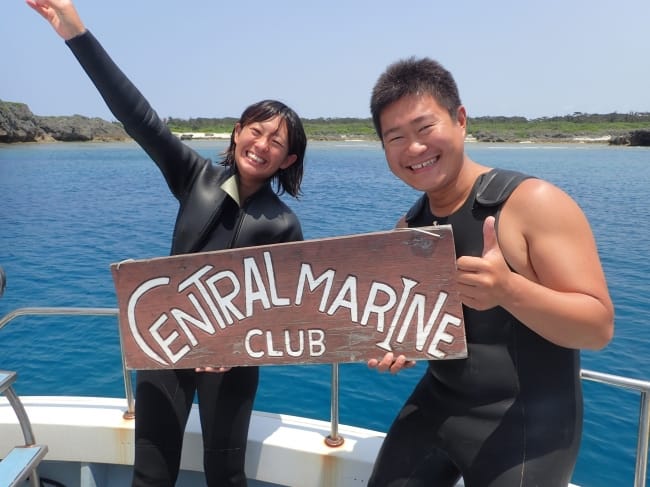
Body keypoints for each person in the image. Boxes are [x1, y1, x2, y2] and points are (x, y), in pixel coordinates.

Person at [27, 1, 307, 486]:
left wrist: (237, 345)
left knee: (226, 475)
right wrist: (76, 33)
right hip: (165, 342)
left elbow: (290, 307)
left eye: (276, 142)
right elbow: (139, 117)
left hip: (232, 361)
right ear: (237, 132)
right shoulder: (196, 177)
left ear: (288, 160)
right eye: (256, 131)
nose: (262, 144)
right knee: (151, 475)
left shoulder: (284, 223)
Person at [366, 57, 614, 487]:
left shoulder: (533, 203)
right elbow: (423, 325)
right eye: (396, 137)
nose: (415, 148)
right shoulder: (409, 226)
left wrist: (509, 290)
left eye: (425, 128)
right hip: (437, 403)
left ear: (460, 120)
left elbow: (597, 329)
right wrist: (402, 345)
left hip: (528, 426)